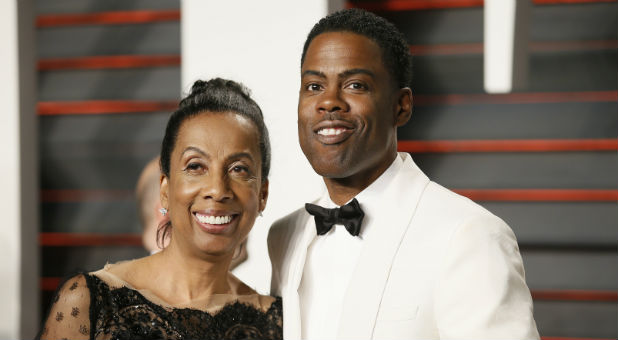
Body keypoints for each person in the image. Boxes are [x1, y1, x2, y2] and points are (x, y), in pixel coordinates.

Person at [268, 8, 539, 339]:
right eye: (313, 86)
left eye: (355, 85)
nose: (329, 102)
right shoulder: (284, 236)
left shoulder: (470, 235)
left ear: (402, 106)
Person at [38, 78, 282, 340]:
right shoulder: (90, 303)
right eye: (195, 166)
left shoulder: (274, 323)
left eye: (239, 169)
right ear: (165, 189)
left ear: (262, 195)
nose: (217, 189)